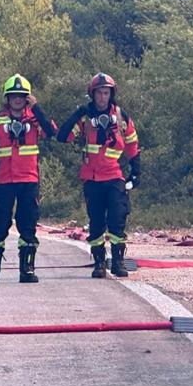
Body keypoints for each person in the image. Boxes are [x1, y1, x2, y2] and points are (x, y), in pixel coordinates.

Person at [56, 73, 141, 278]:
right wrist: (78, 113)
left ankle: (118, 261)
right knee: (96, 222)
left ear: (111, 94)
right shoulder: (85, 119)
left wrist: (136, 171)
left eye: (106, 93)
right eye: (99, 93)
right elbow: (62, 137)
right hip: (92, 178)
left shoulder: (121, 117)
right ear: (92, 95)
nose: (103, 97)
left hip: (114, 176)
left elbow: (132, 145)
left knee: (117, 218)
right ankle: (99, 263)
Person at [0, 74, 57, 284]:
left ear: (27, 98)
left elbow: (52, 132)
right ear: (7, 97)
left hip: (28, 180)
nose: (17, 100)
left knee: (28, 224)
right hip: (3, 181)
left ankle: (27, 270)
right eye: (14, 96)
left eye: (22, 96)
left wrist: (37, 109)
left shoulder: (35, 120)